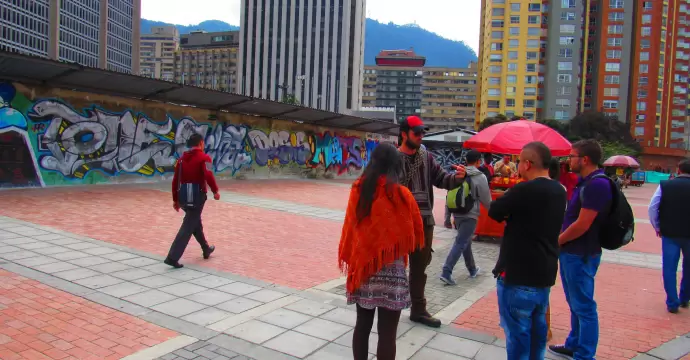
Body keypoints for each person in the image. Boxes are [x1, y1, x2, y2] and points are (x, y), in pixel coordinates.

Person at [338, 143, 425, 360]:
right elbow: (414, 229)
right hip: (392, 274)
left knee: (362, 326)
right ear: (396, 165)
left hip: (365, 270)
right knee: (388, 334)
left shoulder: (358, 190)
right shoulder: (402, 195)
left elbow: (352, 229)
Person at [488, 142, 567, 360]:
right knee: (537, 338)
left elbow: (495, 211)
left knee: (518, 339)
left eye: (519, 162)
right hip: (543, 275)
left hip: (518, 276)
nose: (517, 167)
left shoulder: (524, 189)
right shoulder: (559, 191)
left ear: (527, 164)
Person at [398, 115, 466, 328]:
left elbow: (442, 179)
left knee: (420, 268)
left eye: (422, 132)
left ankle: (418, 310)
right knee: (393, 266)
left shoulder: (426, 157)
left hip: (423, 221)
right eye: (416, 132)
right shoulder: (392, 157)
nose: (421, 136)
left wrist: (458, 178)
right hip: (397, 222)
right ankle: (389, 304)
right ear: (403, 134)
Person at [549, 140, 612, 360]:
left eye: (572, 156)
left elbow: (583, 224)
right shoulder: (586, 182)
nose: (568, 160)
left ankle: (585, 354)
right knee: (575, 302)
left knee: (584, 306)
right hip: (573, 252)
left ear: (584, 159)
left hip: (581, 253)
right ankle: (574, 344)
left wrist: (558, 240)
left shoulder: (597, 184)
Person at [166, 133, 219, 268]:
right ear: (201, 143)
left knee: (195, 222)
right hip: (198, 197)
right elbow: (208, 175)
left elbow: (175, 180)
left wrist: (175, 200)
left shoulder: (182, 159)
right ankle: (172, 257)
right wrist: (215, 191)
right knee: (188, 226)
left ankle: (206, 249)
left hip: (184, 197)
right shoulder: (204, 158)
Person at [440, 149, 490, 285]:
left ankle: (472, 269)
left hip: (457, 213)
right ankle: (446, 271)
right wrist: (496, 213)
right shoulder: (480, 176)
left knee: (465, 241)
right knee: (461, 242)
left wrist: (447, 217)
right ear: (478, 161)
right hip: (470, 214)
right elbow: (486, 199)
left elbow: (450, 193)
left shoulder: (458, 172)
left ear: (467, 161)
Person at [648, 158, 690, 313]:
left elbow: (653, 207)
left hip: (670, 233)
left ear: (678, 170)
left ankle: (672, 302)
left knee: (670, 268)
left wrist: (657, 226)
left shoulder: (666, 185)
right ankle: (685, 297)